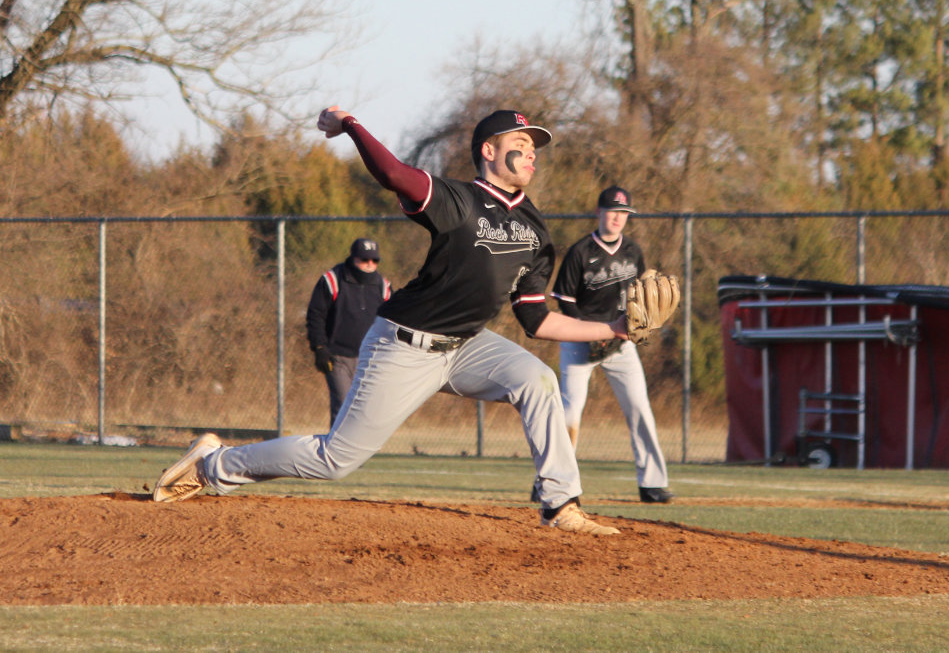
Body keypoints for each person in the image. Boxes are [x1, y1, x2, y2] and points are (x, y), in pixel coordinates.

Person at [153, 107, 630, 536]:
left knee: (539, 380)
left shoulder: (534, 227)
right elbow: (393, 173)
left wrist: (614, 329)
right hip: (404, 345)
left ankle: (560, 504)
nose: (531, 156)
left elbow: (537, 320)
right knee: (334, 459)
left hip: (466, 346)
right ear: (488, 151)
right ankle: (213, 464)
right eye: (520, 146)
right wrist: (352, 126)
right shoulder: (458, 200)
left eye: (534, 150)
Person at [543, 185, 673, 504]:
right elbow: (564, 302)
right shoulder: (580, 252)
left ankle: (652, 483)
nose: (617, 218)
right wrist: (591, 330)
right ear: (599, 213)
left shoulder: (632, 251)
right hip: (579, 340)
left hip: (620, 342)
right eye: (612, 211)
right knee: (570, 413)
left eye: (623, 213)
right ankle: (553, 481)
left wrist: (639, 324)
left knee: (639, 407)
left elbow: (643, 294)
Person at [307, 237, 392, 426]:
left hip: (371, 358)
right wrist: (319, 347)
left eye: (374, 260)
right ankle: (336, 454)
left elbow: (391, 322)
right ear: (353, 258)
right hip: (338, 357)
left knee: (366, 411)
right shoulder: (333, 280)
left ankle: (357, 455)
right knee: (344, 407)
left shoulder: (383, 286)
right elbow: (316, 315)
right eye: (364, 259)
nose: (370, 264)